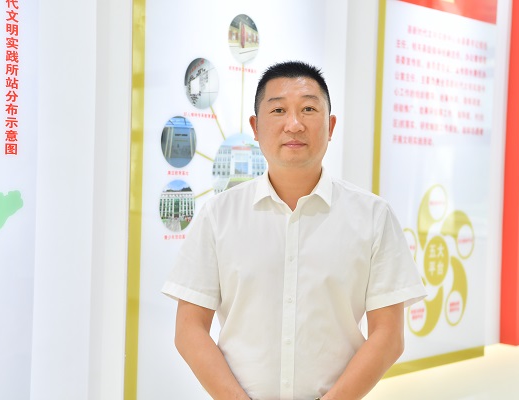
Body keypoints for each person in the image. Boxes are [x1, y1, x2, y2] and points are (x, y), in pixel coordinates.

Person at [162, 60, 427, 400]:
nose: (294, 124)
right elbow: (189, 330)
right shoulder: (219, 216)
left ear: (330, 126)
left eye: (308, 109)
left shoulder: (373, 216)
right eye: (278, 110)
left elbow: (388, 336)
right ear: (256, 127)